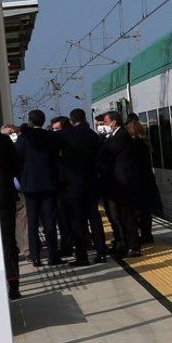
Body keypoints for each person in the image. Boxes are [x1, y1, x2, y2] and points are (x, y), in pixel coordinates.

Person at [15, 109, 62, 267]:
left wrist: (22, 177)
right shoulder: (51, 137)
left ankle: (35, 257)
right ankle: (53, 255)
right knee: (50, 221)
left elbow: (17, 159)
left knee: (32, 222)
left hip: (30, 186)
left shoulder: (24, 139)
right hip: (49, 184)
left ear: (30, 121)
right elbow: (56, 157)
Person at [57, 108, 102, 264]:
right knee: (94, 216)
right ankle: (101, 252)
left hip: (72, 184)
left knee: (77, 220)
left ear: (71, 120)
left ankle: (82, 256)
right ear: (84, 118)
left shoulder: (64, 135)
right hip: (91, 181)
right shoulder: (92, 135)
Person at [96, 112, 141, 259]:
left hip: (123, 183)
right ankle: (123, 244)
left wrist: (101, 139)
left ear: (114, 122)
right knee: (120, 215)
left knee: (126, 216)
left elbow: (108, 153)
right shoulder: (116, 135)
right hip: (117, 182)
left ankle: (134, 246)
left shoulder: (121, 135)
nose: (104, 124)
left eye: (106, 121)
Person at [0, 115, 22, 298]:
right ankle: (13, 284)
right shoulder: (2, 140)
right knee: (8, 242)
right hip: (4, 198)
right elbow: (16, 166)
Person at [125, 114, 159, 245]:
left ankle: (139, 236)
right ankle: (147, 234)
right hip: (147, 180)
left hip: (136, 182)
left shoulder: (132, 145)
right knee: (146, 211)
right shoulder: (145, 143)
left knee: (136, 211)